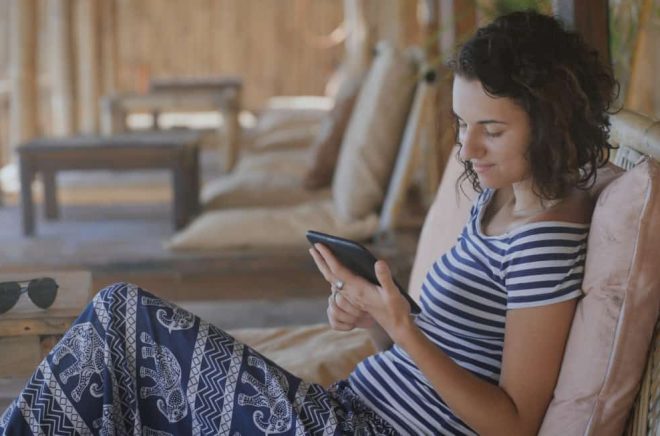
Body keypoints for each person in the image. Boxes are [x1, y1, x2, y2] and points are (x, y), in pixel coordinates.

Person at [0, 10, 616, 436]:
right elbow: (443, 351)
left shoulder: (544, 241)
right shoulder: (500, 200)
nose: (468, 148)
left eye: (493, 129)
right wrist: (379, 317)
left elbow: (512, 424)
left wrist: (403, 328)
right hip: (342, 410)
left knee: (119, 319)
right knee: (117, 367)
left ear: (552, 119)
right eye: (462, 124)